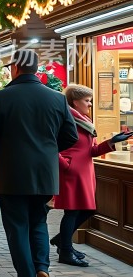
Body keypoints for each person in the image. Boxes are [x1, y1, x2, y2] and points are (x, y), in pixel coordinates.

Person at [0, 50, 78, 277]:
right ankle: (42, 267)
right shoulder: (57, 98)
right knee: (38, 221)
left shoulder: (2, 97)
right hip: (45, 173)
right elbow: (71, 135)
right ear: (36, 68)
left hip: (11, 174)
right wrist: (48, 150)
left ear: (15, 68)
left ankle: (27, 273)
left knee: (17, 227)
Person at [51, 84, 133, 267]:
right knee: (72, 212)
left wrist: (112, 141)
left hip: (84, 172)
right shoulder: (65, 119)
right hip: (72, 173)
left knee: (88, 209)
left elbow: (92, 151)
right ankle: (65, 250)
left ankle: (62, 241)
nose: (90, 104)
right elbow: (51, 146)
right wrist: (66, 165)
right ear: (75, 102)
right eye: (87, 101)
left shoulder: (83, 120)